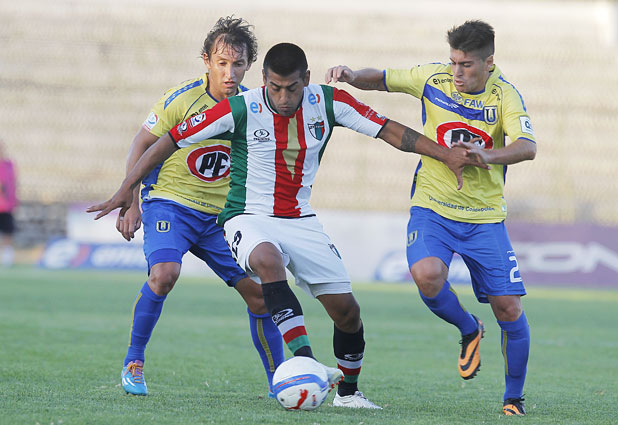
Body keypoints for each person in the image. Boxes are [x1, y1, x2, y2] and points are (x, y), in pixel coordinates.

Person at [88, 42, 486, 409]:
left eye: (291, 88)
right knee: (266, 261)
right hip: (246, 216)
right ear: (263, 80)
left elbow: (391, 130)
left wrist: (445, 155)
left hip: (300, 219)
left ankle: (348, 393)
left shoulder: (329, 102)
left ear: (306, 80)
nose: (282, 98)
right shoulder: (240, 108)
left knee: (347, 313)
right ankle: (306, 364)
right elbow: (168, 140)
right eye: (275, 88)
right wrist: (127, 189)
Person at [325, 20, 536, 416]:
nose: (457, 72)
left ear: (489, 63)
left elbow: (528, 146)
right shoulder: (433, 78)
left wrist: (488, 155)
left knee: (509, 309)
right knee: (426, 274)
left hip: (485, 217)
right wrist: (352, 76)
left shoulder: (505, 95)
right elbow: (382, 79)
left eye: (466, 65)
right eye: (454, 62)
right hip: (433, 206)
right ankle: (469, 328)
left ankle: (513, 399)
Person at [112, 16, 284, 397]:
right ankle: (134, 362)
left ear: (249, 66)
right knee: (164, 274)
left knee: (259, 295)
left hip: (221, 218)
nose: (229, 73)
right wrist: (132, 201)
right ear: (206, 60)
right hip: (170, 204)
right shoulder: (181, 99)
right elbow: (141, 144)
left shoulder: (252, 106)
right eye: (222, 63)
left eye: (237, 64)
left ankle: (280, 380)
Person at [0, 139, 17, 267]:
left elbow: (12, 184)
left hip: (6, 206)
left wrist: (13, 200)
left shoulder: (8, 164)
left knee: (7, 231)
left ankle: (7, 257)